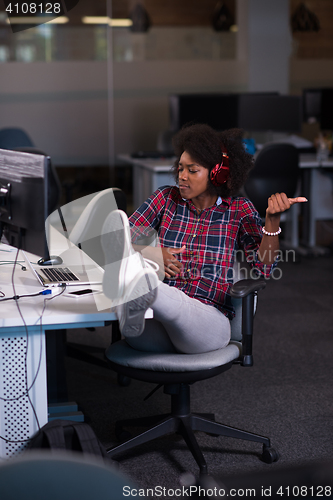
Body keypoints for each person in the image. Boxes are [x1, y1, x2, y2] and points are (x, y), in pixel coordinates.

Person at [102, 124, 307, 355]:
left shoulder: (239, 210)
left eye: (192, 170)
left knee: (163, 296)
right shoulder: (165, 199)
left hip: (207, 325)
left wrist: (272, 222)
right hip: (156, 328)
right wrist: (150, 253)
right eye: (180, 168)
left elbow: (264, 268)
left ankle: (145, 289)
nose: (182, 176)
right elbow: (114, 240)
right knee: (123, 256)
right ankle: (143, 293)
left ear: (216, 174)